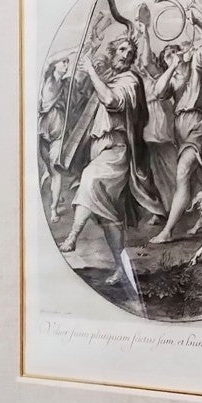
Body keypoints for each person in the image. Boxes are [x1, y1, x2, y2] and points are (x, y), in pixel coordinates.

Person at [58, 36, 164, 285]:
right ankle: (121, 268)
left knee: (90, 179)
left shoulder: (130, 81)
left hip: (117, 149)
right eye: (122, 49)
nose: (126, 54)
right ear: (113, 51)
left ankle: (73, 236)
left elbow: (111, 101)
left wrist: (91, 71)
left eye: (130, 52)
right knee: (107, 216)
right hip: (99, 148)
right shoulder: (110, 78)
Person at [149, 7, 202, 243]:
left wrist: (198, 23)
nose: (173, 55)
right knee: (196, 177)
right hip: (181, 131)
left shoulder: (197, 66)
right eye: (167, 56)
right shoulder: (171, 79)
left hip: (199, 126)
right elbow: (158, 92)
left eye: (175, 51)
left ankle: (167, 231)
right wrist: (172, 67)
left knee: (183, 173)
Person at [132, 15, 177, 210]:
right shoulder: (142, 75)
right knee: (153, 169)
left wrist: (146, 35)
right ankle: (163, 207)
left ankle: (174, 205)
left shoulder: (160, 76)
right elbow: (143, 61)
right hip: (147, 121)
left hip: (158, 121)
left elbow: (146, 60)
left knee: (168, 167)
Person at [37, 55, 71, 221]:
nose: (66, 65)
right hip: (43, 131)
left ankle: (53, 208)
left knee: (55, 171)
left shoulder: (65, 84)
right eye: (63, 62)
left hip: (59, 132)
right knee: (47, 170)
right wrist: (72, 51)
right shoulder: (47, 79)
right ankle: (50, 194)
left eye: (67, 63)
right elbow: (49, 60)